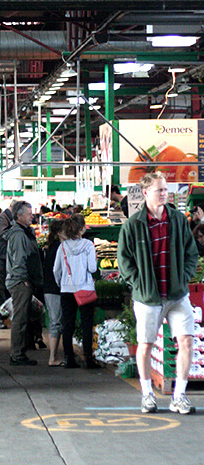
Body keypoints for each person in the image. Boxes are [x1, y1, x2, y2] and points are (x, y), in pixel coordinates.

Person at [117, 171, 199, 415]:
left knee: (186, 341)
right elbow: (124, 261)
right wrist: (139, 284)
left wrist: (183, 277)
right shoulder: (133, 225)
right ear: (145, 193)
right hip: (148, 297)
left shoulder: (177, 220)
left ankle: (180, 395)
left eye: (165, 189)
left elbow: (191, 253)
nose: (164, 193)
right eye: (159, 190)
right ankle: (147, 395)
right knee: (145, 345)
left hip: (176, 295)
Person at [53, 214, 100, 370]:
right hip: (85, 289)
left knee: (68, 324)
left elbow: (56, 270)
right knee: (87, 324)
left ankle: (69, 358)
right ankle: (88, 358)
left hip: (67, 290)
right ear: (82, 228)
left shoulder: (63, 246)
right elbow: (92, 269)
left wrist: (62, 284)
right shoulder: (88, 245)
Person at [5, 201, 43, 366]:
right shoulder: (19, 235)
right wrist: (24, 281)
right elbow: (19, 260)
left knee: (23, 317)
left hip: (23, 280)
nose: (32, 216)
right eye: (29, 214)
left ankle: (20, 351)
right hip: (20, 281)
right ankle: (17, 354)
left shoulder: (25, 232)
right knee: (20, 319)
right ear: (19, 216)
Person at [41, 218, 64, 366]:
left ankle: (53, 356)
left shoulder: (52, 247)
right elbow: (56, 271)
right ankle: (52, 358)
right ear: (59, 232)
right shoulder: (57, 248)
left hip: (50, 288)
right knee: (56, 321)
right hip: (54, 288)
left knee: (56, 321)